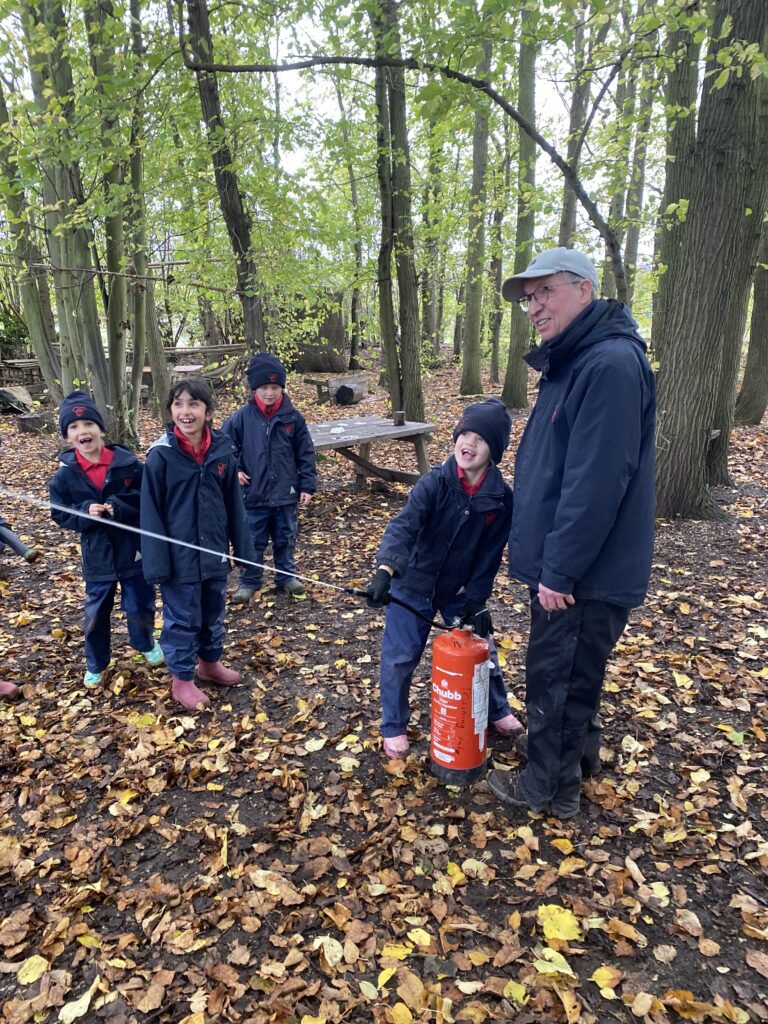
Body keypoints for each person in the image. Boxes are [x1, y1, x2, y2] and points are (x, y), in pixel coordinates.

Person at [487, 246, 656, 819]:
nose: (534, 306)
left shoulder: (607, 364)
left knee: (556, 675)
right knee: (572, 669)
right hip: (572, 564)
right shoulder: (575, 360)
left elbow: (597, 481)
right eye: (528, 298)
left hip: (585, 571)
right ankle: (577, 760)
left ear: (584, 289)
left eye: (545, 292)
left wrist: (560, 569)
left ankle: (548, 790)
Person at [366, 399, 524, 759]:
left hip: (458, 589)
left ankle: (497, 709)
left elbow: (490, 554)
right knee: (399, 657)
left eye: (480, 439)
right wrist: (385, 571)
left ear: (494, 451)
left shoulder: (500, 499)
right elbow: (405, 526)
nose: (468, 444)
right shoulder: (434, 482)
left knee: (483, 649)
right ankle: (393, 725)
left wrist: (477, 598)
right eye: (464, 434)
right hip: (413, 584)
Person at [141, 377, 252, 710]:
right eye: (178, 404)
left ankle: (209, 663)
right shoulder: (160, 456)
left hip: (215, 552)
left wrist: (244, 551)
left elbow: (234, 504)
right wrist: (158, 564)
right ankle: (182, 679)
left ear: (208, 410)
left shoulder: (222, 448)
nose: (185, 411)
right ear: (170, 410)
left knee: (212, 612)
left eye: (194, 404)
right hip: (179, 559)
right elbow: (150, 513)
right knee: (183, 618)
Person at [49, 390, 163, 688]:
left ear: (100, 428)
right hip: (97, 556)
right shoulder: (64, 476)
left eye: (88, 423)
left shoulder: (128, 464)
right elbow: (60, 514)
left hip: (132, 552)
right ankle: (96, 662)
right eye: (73, 427)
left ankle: (145, 643)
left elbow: (147, 500)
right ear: (67, 436)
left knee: (140, 603)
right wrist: (86, 512)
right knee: (96, 613)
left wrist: (120, 507)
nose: (82, 431)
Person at [221, 353, 316, 602]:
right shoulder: (242, 417)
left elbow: (305, 452)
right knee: (253, 539)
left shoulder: (293, 417)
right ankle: (249, 581)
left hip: (286, 492)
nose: (270, 393)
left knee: (285, 536)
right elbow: (224, 446)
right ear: (255, 388)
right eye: (264, 387)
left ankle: (286, 576)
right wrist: (235, 470)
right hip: (253, 493)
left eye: (275, 387)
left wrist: (307, 485)